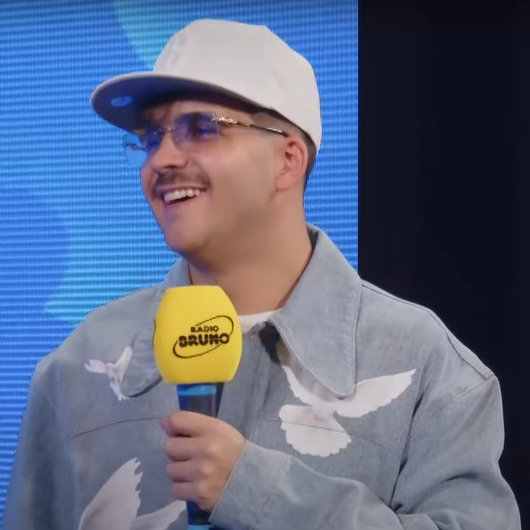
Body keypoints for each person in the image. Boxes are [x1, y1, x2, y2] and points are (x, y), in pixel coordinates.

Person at [2, 18, 521, 530]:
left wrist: (259, 492)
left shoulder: (427, 368)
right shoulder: (77, 369)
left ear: (288, 160)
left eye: (201, 128)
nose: (162, 159)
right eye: (152, 137)